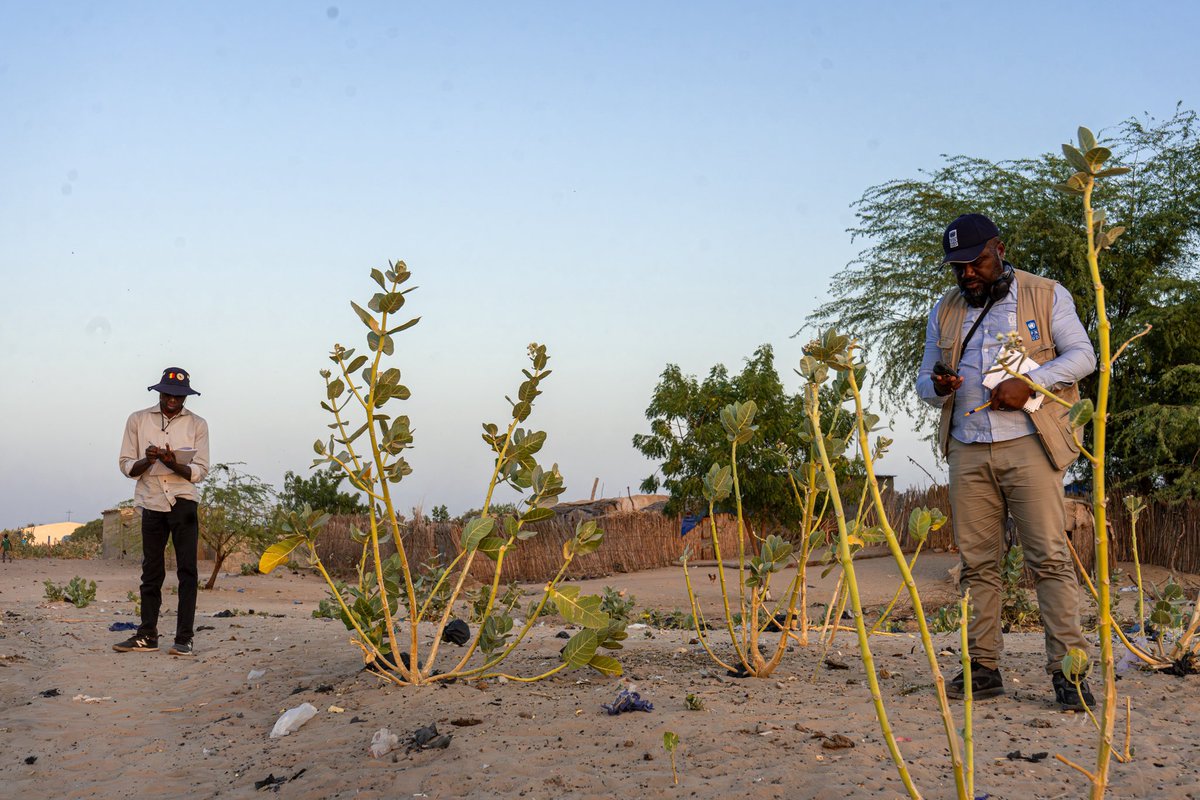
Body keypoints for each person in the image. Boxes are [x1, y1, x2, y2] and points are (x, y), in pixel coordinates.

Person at [916, 213, 1097, 710]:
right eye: (958, 267)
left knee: (1050, 560)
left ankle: (1069, 673)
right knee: (977, 565)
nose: (967, 274)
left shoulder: (1045, 294)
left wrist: (1031, 382)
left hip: (1030, 444)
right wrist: (938, 385)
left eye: (976, 262)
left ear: (999, 250)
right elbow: (923, 380)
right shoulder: (944, 309)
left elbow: (1083, 355)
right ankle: (983, 668)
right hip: (966, 447)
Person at [113, 368, 210, 656]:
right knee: (151, 572)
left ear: (186, 396)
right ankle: (147, 636)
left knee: (187, 571)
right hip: (151, 501)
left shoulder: (198, 424)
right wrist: (148, 460)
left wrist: (173, 464)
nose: (172, 400)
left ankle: (184, 638)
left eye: (179, 396)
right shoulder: (138, 420)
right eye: (168, 394)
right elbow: (127, 466)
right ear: (160, 392)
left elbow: (200, 470)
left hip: (183, 501)